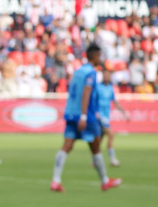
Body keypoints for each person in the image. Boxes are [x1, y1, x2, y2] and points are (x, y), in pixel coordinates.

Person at [51, 45, 122, 192]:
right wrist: (83, 115)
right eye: (99, 56)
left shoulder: (78, 71)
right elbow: (86, 93)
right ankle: (104, 181)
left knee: (67, 146)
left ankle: (55, 181)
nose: (100, 59)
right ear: (94, 56)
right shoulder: (91, 72)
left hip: (70, 112)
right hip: (85, 115)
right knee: (96, 146)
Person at [97, 69, 129, 167]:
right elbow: (92, 102)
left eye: (108, 75)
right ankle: (112, 159)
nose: (107, 77)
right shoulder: (98, 88)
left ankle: (95, 160)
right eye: (105, 75)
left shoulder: (110, 88)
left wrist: (124, 113)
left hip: (106, 117)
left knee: (99, 141)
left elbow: (115, 102)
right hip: (99, 117)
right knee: (111, 134)